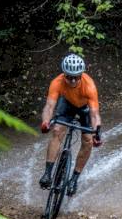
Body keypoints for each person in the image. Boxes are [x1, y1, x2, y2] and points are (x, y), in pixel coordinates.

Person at [39, 53, 102, 196]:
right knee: (57, 130)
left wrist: (96, 132)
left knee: (88, 140)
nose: (73, 80)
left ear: (81, 74)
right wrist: (46, 121)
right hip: (66, 104)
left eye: (76, 77)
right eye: (69, 77)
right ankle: (48, 174)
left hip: (85, 108)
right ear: (64, 74)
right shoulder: (57, 82)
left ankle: (74, 179)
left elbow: (94, 113)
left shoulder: (89, 86)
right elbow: (49, 106)